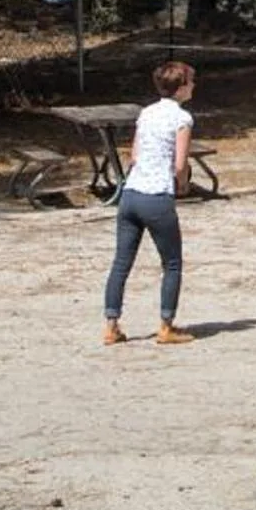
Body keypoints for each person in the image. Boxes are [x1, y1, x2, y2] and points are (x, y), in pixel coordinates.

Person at [102, 59, 199, 345]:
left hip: (131, 194)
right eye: (191, 82)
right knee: (171, 263)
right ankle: (166, 325)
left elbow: (134, 156)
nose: (194, 86)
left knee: (122, 262)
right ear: (181, 88)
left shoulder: (146, 113)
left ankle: (111, 324)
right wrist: (182, 185)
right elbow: (180, 164)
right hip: (157, 196)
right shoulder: (182, 118)